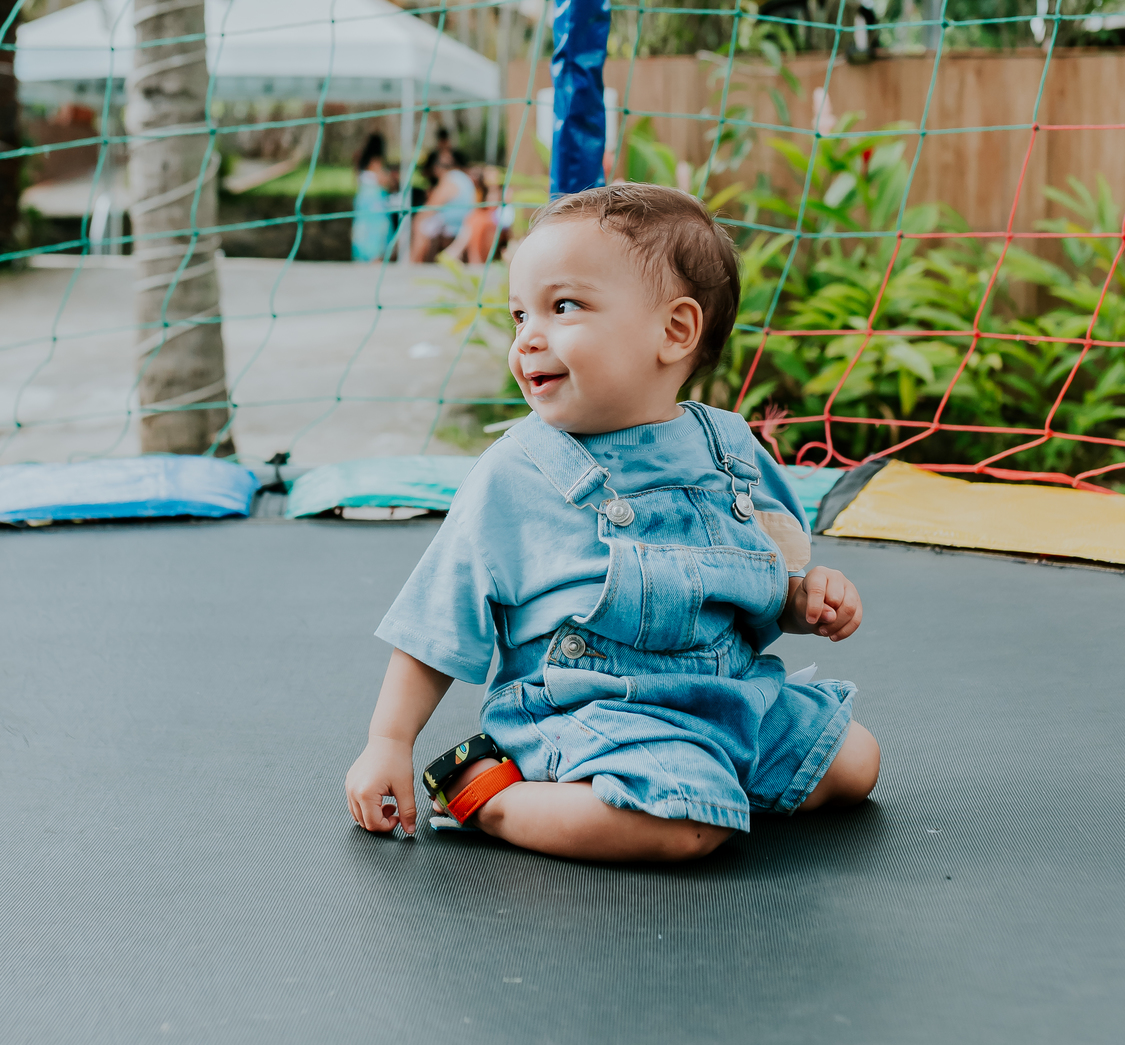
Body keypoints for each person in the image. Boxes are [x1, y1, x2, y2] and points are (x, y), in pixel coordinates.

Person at [346, 183, 879, 864]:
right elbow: (435, 622)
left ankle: (697, 779)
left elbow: (773, 578)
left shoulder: (733, 451)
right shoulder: (515, 473)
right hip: (592, 713)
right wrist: (389, 741)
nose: (527, 337)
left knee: (855, 762)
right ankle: (488, 795)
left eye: (563, 306)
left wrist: (807, 599)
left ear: (676, 330)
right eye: (519, 314)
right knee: (683, 830)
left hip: (727, 696)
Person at [410, 144, 478, 262]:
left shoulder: (449, 179)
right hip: (464, 223)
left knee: (419, 223)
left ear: (435, 168)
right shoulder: (461, 177)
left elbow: (430, 208)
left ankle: (413, 263)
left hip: (456, 225)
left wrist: (415, 220)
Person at [447, 165, 515, 265]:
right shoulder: (482, 191)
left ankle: (460, 253)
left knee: (477, 221)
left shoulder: (505, 191)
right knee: (475, 220)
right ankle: (469, 257)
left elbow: (506, 215)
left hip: (499, 223)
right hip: (486, 221)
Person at [350, 132, 398, 262]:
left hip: (362, 200)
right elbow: (384, 180)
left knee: (362, 234)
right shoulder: (376, 160)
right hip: (375, 203)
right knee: (377, 238)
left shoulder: (360, 159)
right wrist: (392, 179)